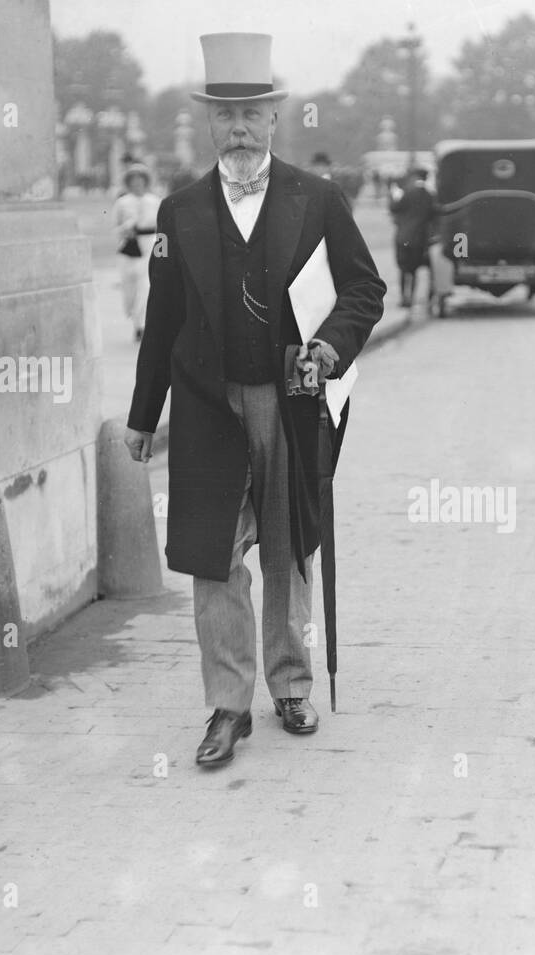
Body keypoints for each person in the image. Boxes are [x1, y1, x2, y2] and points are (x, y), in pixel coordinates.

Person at [124, 32, 385, 767]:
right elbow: (164, 322)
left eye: (253, 114)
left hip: (289, 402)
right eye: (225, 115)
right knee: (214, 558)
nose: (239, 129)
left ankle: (291, 685)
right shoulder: (179, 212)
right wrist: (145, 417)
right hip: (208, 406)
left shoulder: (318, 198)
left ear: (275, 119)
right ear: (210, 123)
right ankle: (228, 707)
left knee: (289, 549)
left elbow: (366, 288)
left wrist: (330, 345)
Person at [113, 163, 160, 342]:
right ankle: (135, 319)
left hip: (150, 245)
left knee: (146, 286)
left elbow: (163, 228)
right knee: (130, 290)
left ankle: (142, 326)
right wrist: (125, 231)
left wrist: (162, 254)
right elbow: (115, 226)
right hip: (129, 248)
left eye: (140, 180)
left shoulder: (155, 201)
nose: (137, 184)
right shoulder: (122, 202)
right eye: (133, 181)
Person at [389, 167, 434, 308]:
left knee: (403, 268)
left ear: (414, 177)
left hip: (403, 236)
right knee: (414, 270)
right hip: (419, 238)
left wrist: (393, 195)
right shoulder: (429, 196)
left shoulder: (407, 193)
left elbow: (394, 208)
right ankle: (412, 298)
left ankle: (404, 298)